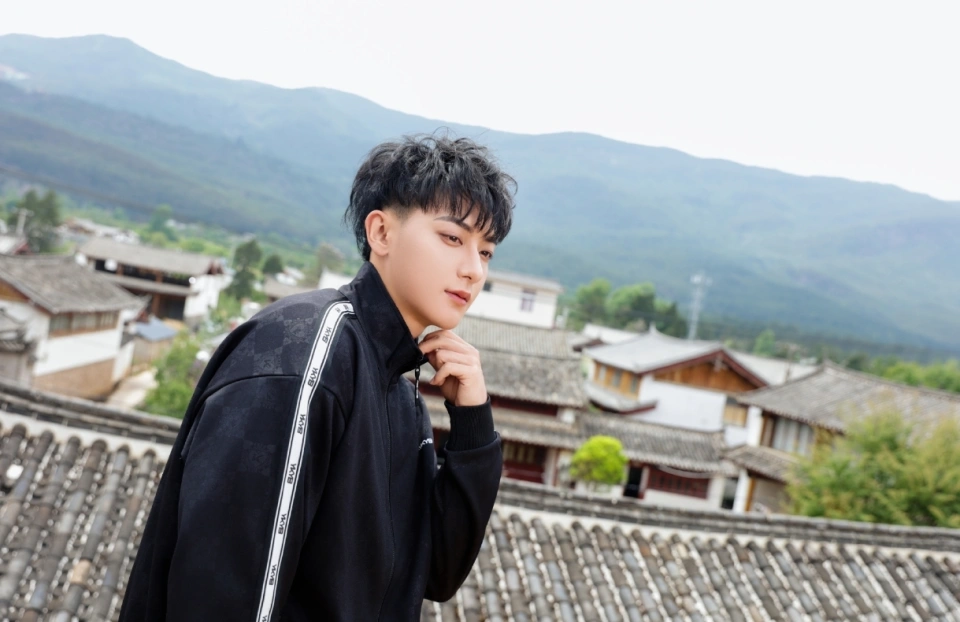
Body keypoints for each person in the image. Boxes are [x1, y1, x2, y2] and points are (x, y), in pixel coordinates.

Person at [119, 134, 515, 621]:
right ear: (381, 232)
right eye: (452, 238)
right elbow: (225, 586)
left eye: (486, 252)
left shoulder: (401, 386)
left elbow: (435, 571)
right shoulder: (307, 350)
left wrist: (473, 422)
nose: (473, 270)